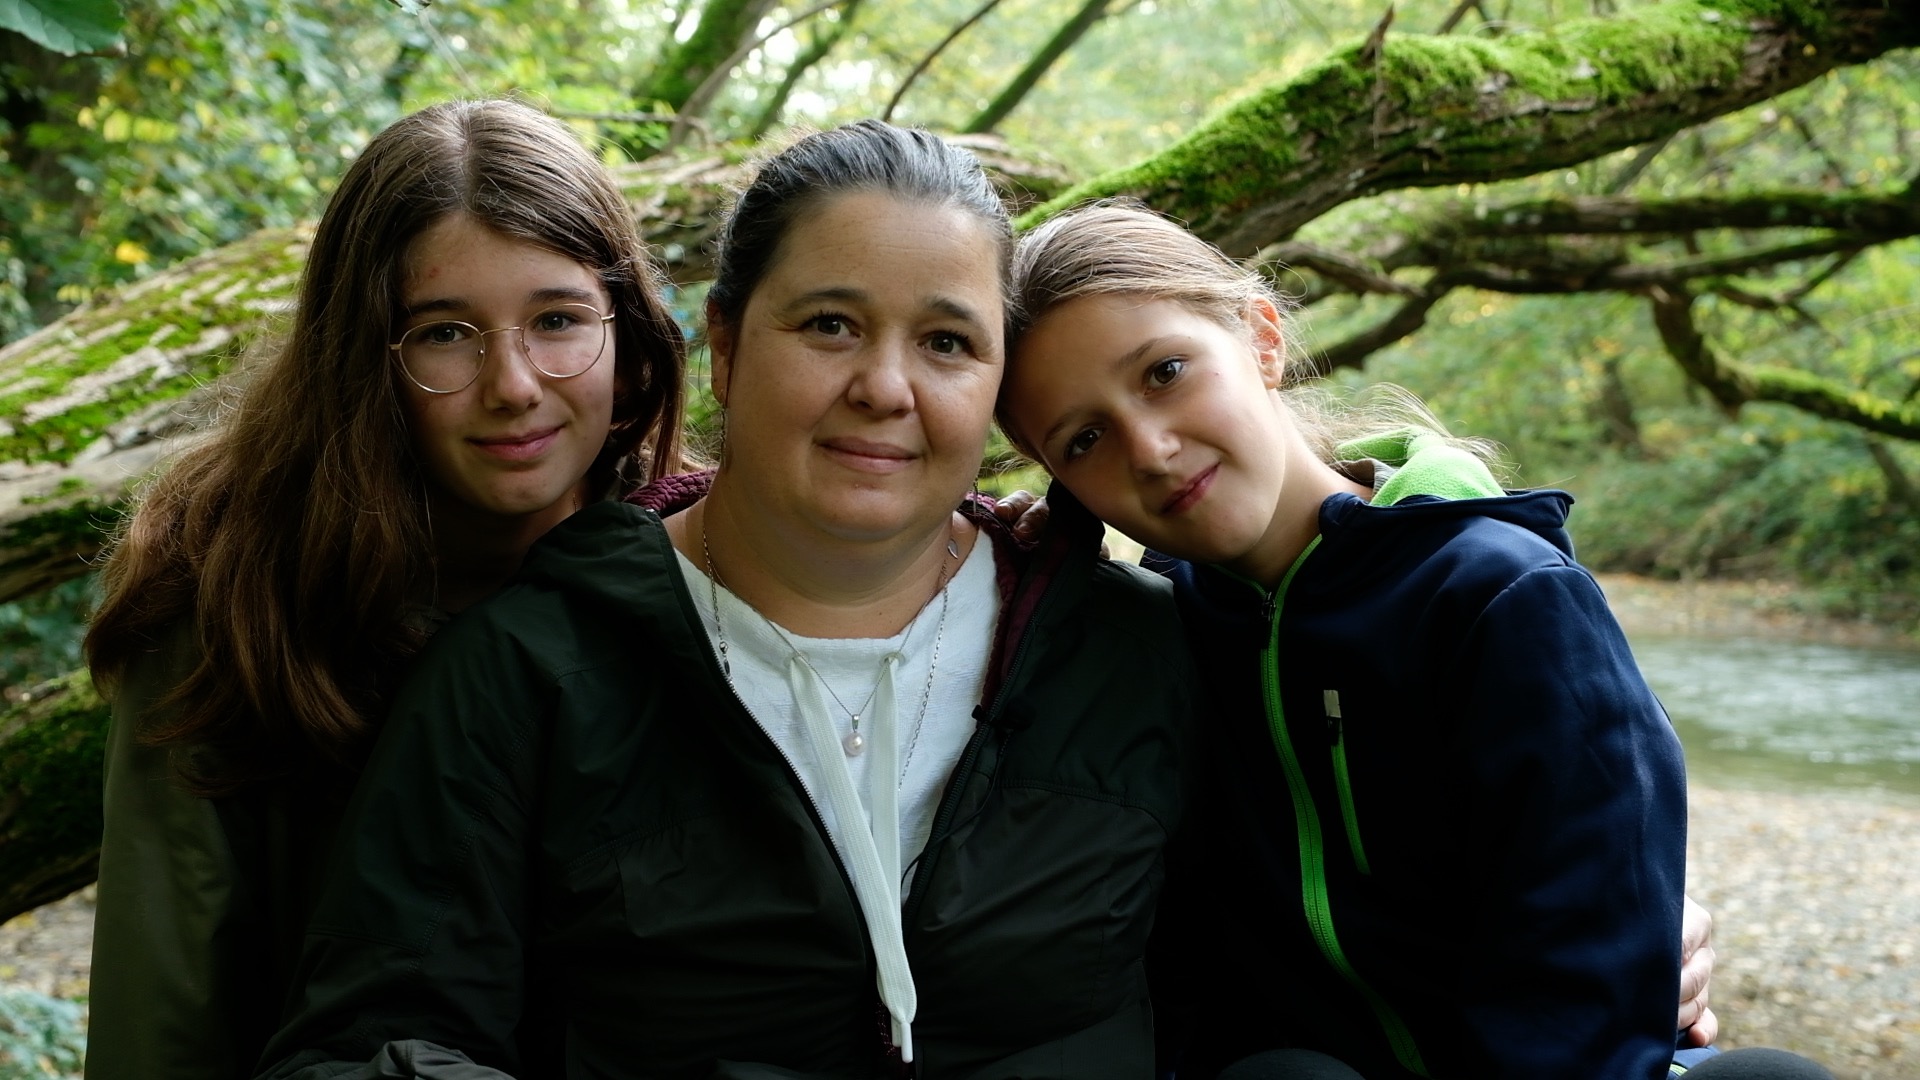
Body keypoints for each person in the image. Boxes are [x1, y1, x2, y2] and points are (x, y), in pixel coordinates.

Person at [254, 120, 1192, 1080]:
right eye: (831, 324)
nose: (884, 387)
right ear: (727, 346)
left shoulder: (1129, 650)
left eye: (948, 342)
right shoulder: (526, 677)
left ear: (997, 387)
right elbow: (366, 1048)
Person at [996, 201, 1832, 1080]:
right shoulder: (1155, 634)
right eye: (1084, 439)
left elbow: (1583, 957)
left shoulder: (1500, 598)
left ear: (1263, 339)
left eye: (1165, 372)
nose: (1152, 449)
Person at [83, 98, 689, 1080]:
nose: (514, 384)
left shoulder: (698, 562)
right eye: (447, 333)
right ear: (365, 356)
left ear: (629, 341)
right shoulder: (231, 596)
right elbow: (166, 1014)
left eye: (559, 320)